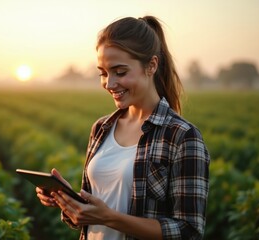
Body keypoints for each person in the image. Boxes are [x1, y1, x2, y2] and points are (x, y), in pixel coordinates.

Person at [36, 15, 210, 240]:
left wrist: (108, 217)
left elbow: (189, 231)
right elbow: (93, 213)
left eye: (120, 72)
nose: (109, 83)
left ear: (152, 66)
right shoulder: (102, 128)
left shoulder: (182, 136)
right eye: (103, 73)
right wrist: (68, 201)